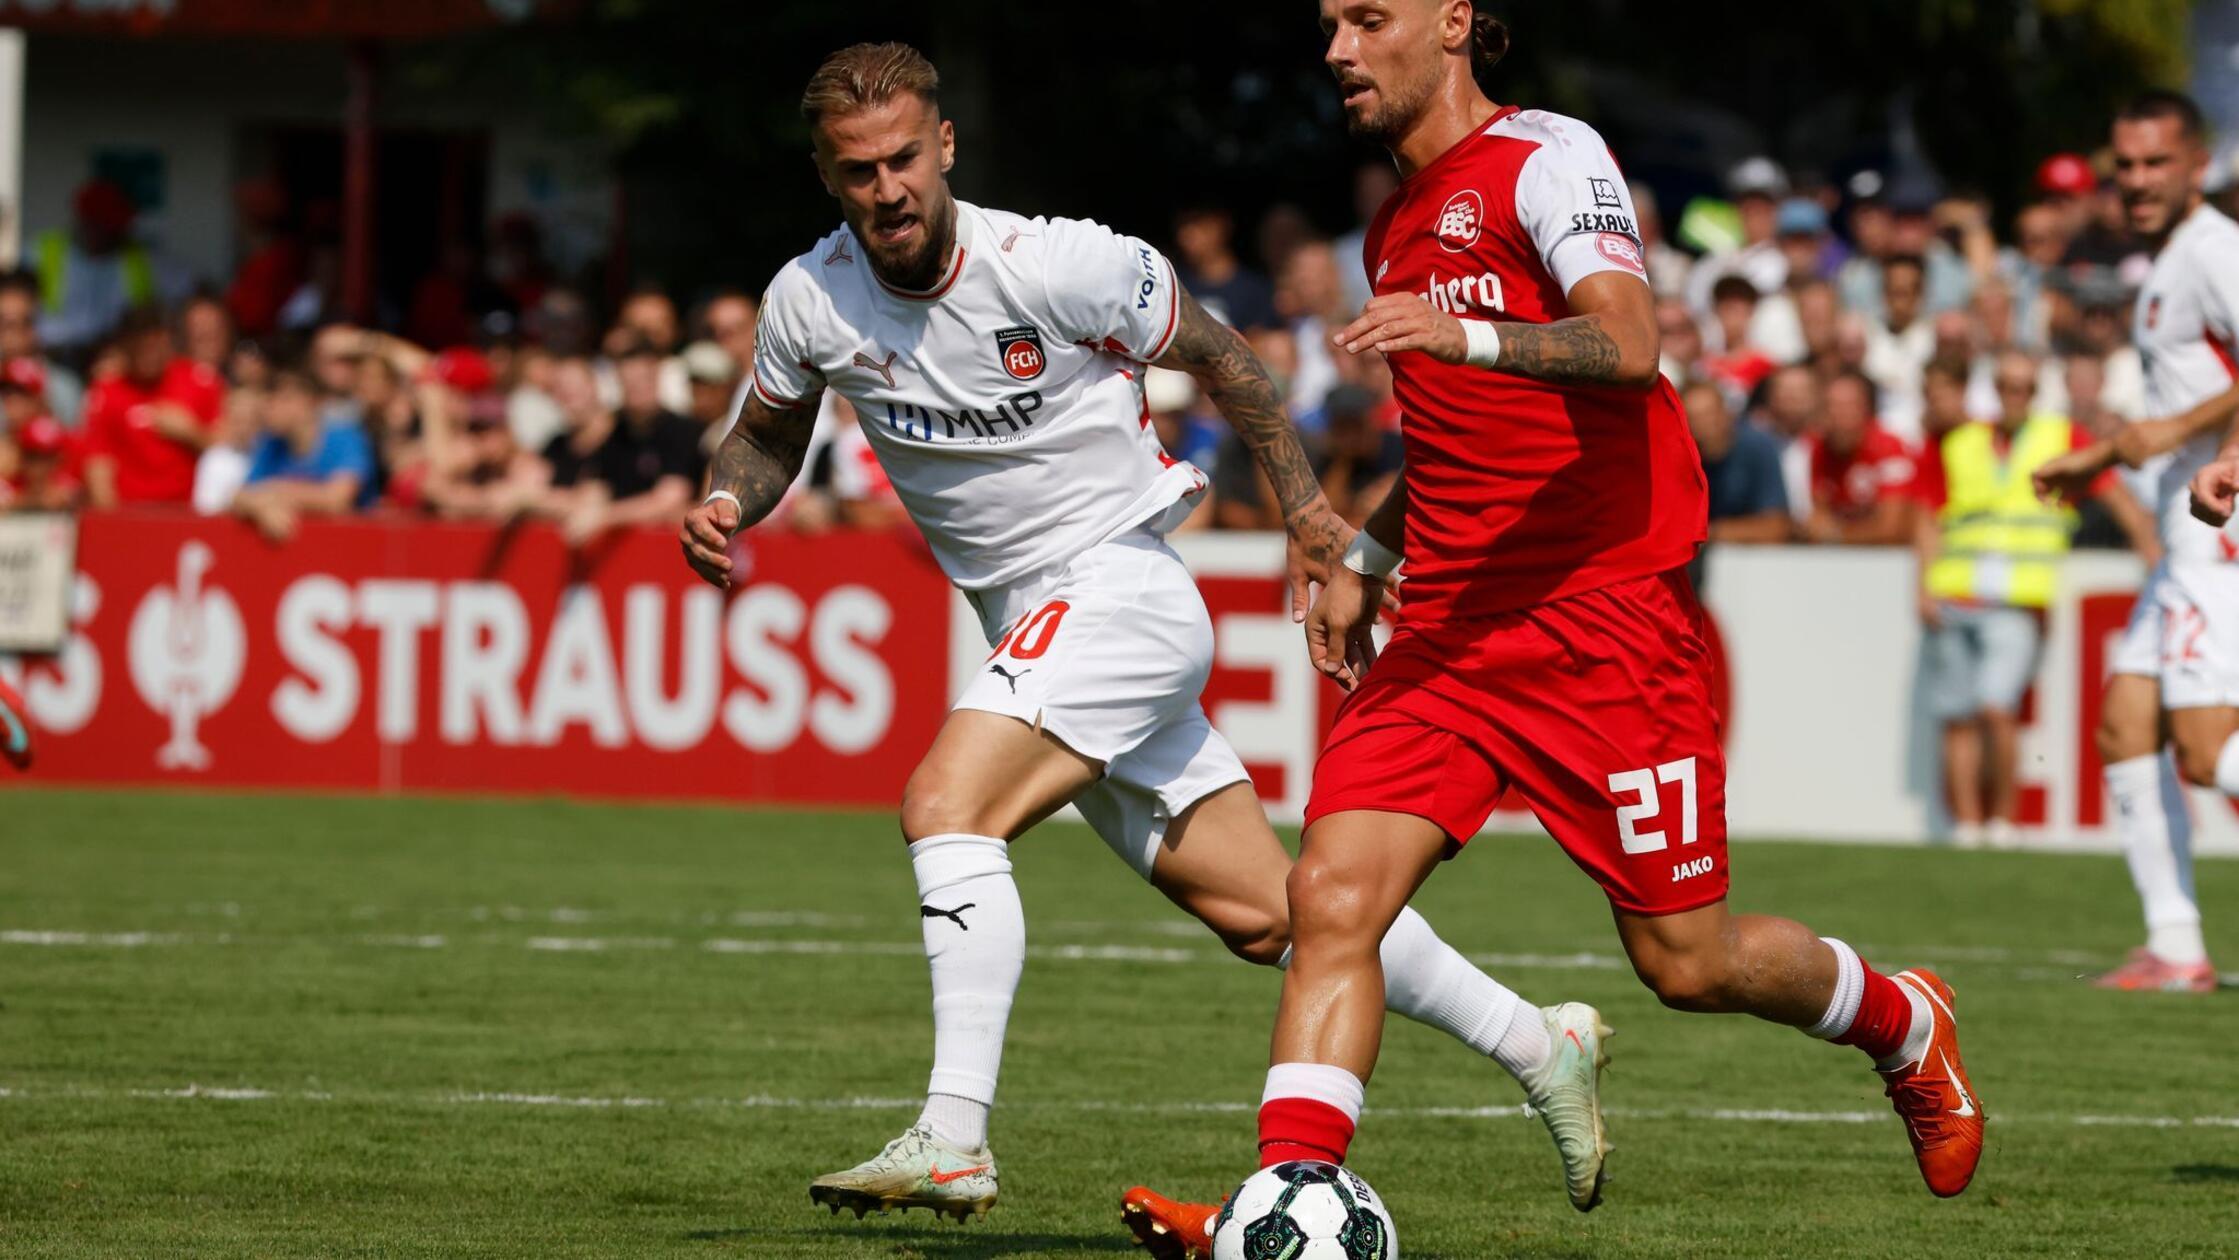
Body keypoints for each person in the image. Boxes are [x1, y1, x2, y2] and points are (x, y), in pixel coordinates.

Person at [681, 40, 1597, 1228]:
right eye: (858, 171)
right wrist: (725, 500)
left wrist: (1308, 517)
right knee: (1274, 914)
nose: (887, 188)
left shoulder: (1060, 263)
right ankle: (1539, 1043)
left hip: (1120, 592)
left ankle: (953, 1135)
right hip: (1033, 623)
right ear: (826, 176)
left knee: (946, 805)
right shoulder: (809, 298)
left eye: (903, 158)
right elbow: (767, 435)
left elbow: (1226, 360)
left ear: (944, 145)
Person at [1125, 9, 1983, 1253]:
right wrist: (1368, 555)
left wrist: (1463, 331)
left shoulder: (1548, 155)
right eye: (1328, 25)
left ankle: (1902, 1022)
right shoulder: (1394, 224)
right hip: (1453, 632)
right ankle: (1285, 1203)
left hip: (1602, 623)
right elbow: (1461, 439)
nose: (1338, 51)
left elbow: (1628, 346)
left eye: (1367, 18)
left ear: (1452, 22)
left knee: (1687, 963)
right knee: (1330, 894)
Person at [2039, 91, 2239, 994]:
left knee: (2202, 750)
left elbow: (2189, 415)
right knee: (2123, 726)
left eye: (2157, 162)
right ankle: (2175, 946)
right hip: (2182, 538)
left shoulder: (2213, 250)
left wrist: (2177, 439)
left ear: (2197, 164)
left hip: (2217, 533)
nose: (2138, 180)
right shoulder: (2165, 262)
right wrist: (2109, 453)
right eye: (2125, 164)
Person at [1919, 350, 2155, 848]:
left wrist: (2149, 547)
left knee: (1996, 708)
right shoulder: (1960, 441)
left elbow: (2112, 491)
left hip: (2017, 601)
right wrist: (1923, 584)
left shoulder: (2061, 436)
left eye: (2024, 387)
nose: (2014, 396)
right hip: (1956, 593)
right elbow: (1929, 514)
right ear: (1994, 388)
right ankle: (1967, 825)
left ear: (2035, 392)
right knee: (1957, 717)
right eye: (2007, 385)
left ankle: (2002, 821)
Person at [82, 305, 225, 508]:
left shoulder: (201, 382)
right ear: (125, 346)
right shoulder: (106, 392)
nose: (148, 354)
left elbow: (228, 454)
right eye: (140, 346)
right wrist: (111, 520)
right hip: (130, 515)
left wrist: (192, 433)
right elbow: (98, 465)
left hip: (190, 514)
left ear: (168, 341)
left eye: (155, 344)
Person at [230, 366, 378, 541]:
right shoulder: (270, 444)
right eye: (268, 398)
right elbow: (238, 496)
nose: (269, 407)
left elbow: (337, 499)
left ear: (309, 402)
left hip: (351, 547)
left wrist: (275, 491)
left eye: (283, 399)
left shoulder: (346, 438)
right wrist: (261, 508)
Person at [1805, 370, 1916, 545]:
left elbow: (1892, 528)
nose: (1838, 413)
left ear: (1867, 409)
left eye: (1848, 406)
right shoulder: (1816, 448)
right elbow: (1816, 519)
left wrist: (1835, 535)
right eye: (1831, 405)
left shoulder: (1889, 448)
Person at [1686, 378, 1789, 543]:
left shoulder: (1758, 446)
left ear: (1727, 414)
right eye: (1694, 418)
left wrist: (1712, 532)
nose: (1704, 424)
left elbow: (1777, 526)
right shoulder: (1678, 457)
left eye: (1710, 414)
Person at [0, 271, 85, 428]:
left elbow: (78, 438)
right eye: (5, 325)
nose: (14, 336)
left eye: (26, 322)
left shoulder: (64, 389)